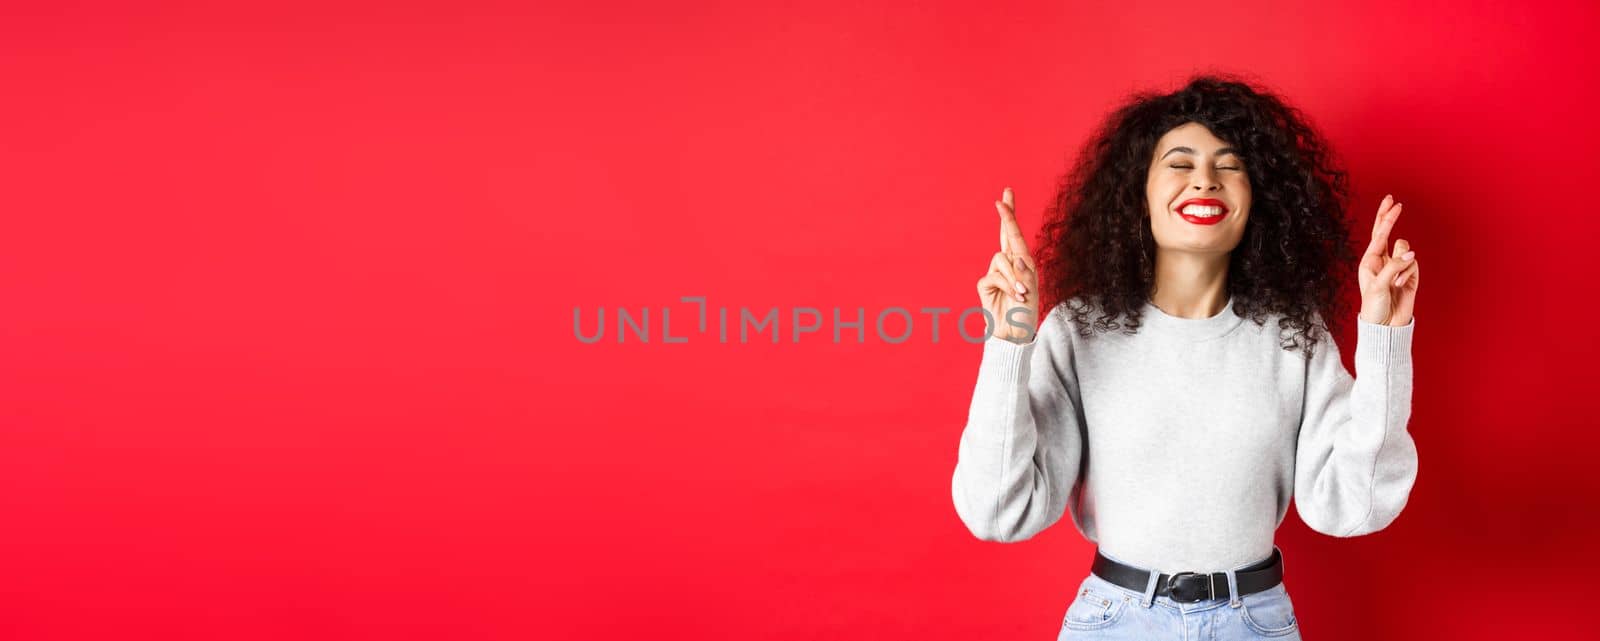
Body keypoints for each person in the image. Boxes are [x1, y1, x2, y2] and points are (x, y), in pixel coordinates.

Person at [951, 75, 1420, 640]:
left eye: (1230, 165)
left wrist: (1384, 338)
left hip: (1256, 623)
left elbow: (1354, 506)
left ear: (1258, 200)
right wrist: (1009, 341)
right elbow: (999, 512)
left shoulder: (1294, 337)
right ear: (1138, 195)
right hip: (1115, 622)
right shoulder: (1077, 331)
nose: (1205, 180)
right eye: (1179, 163)